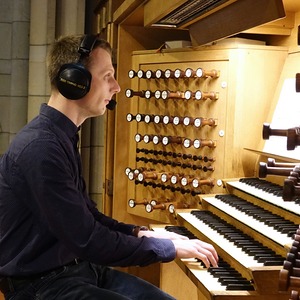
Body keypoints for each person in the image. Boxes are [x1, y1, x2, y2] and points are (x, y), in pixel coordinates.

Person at [0, 34, 218, 300]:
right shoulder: (41, 148)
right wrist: (165, 250)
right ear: (75, 81)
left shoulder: (61, 137)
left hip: (77, 270)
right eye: (107, 76)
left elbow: (88, 216)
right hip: (40, 287)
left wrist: (139, 232)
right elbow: (88, 240)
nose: (116, 87)